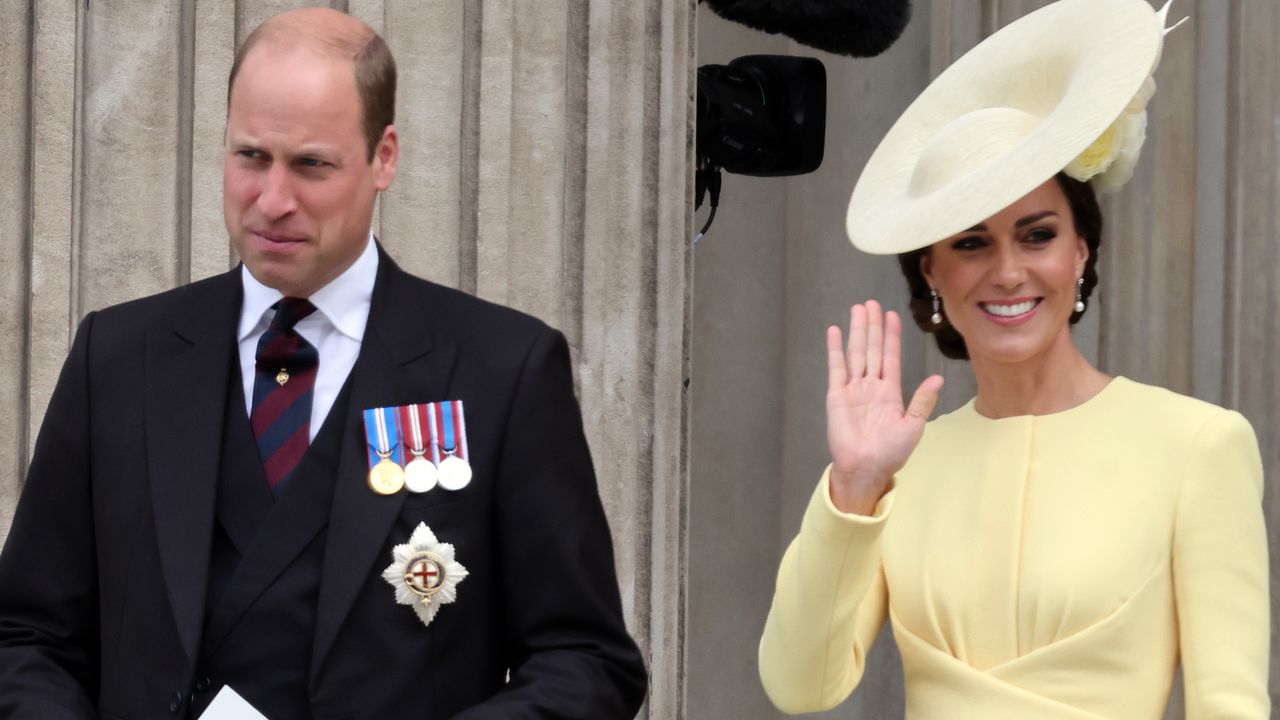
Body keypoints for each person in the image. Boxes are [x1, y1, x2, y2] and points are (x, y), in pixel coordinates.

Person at [0, 7, 646, 719]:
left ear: (385, 157)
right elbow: (27, 637)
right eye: (250, 156)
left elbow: (586, 663)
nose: (273, 201)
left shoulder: (501, 372)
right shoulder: (119, 359)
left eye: (311, 164)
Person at [758, 0, 1270, 717]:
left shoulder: (1199, 445)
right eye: (971, 242)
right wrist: (854, 486)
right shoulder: (896, 465)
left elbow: (1231, 705)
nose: (1007, 272)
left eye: (1036, 236)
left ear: (1080, 252)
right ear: (931, 271)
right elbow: (799, 686)